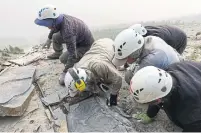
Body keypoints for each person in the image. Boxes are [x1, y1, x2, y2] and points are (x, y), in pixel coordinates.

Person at [129, 61, 201, 132]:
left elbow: (195, 127)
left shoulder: (190, 108)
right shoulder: (168, 72)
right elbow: (156, 91)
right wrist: (150, 114)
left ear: (158, 100)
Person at [34, 5, 94, 85]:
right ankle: (57, 52)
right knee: (55, 36)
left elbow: (73, 55)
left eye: (46, 24)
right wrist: (49, 38)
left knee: (63, 58)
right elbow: (53, 29)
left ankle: (81, 61)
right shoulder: (59, 19)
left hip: (85, 45)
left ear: (52, 20)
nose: (47, 27)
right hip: (77, 38)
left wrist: (65, 72)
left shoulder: (67, 31)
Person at [64, 38, 122, 106]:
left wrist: (113, 96)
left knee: (108, 81)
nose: (78, 93)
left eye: (78, 90)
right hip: (97, 44)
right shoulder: (77, 67)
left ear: (81, 84)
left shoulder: (98, 66)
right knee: (96, 81)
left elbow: (118, 78)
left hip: (110, 46)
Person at [112, 28, 181, 85]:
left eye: (126, 58)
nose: (126, 62)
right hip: (176, 65)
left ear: (134, 53)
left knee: (131, 78)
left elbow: (136, 80)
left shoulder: (151, 59)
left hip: (174, 78)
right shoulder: (149, 39)